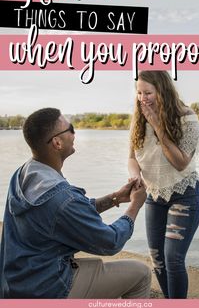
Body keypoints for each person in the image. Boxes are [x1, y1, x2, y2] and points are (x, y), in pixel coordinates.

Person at [0, 107, 151, 299]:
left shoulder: (24, 174)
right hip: (46, 290)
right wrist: (134, 206)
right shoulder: (61, 198)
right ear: (57, 142)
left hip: (17, 282)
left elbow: (65, 215)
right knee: (141, 274)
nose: (74, 133)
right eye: (70, 128)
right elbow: (110, 242)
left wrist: (115, 198)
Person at [128, 70, 199, 299]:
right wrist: (135, 177)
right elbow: (132, 157)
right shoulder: (138, 120)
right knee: (157, 258)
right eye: (139, 92)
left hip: (185, 195)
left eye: (148, 92)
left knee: (173, 258)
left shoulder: (187, 118)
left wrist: (158, 126)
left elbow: (181, 163)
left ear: (163, 90)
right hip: (154, 196)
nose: (143, 98)